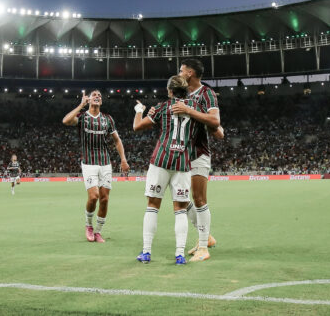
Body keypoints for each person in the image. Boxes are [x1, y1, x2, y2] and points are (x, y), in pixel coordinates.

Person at [133, 75, 223, 265]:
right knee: (180, 209)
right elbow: (218, 131)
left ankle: (147, 252)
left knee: (152, 206)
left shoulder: (162, 107)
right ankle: (180, 255)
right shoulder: (197, 109)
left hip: (160, 160)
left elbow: (137, 126)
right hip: (183, 163)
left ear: (170, 91)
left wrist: (139, 110)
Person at [62, 89, 129, 243]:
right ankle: (88, 225)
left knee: (104, 199)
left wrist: (123, 159)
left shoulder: (108, 119)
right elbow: (66, 121)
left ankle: (98, 231)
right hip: (88, 162)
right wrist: (81, 105)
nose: (97, 96)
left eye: (99, 95)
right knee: (94, 197)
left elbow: (117, 140)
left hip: (105, 163)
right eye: (94, 95)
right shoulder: (82, 117)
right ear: (89, 100)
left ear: (101, 101)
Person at [175, 59, 224, 262]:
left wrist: (189, 111)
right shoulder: (181, 94)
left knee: (199, 199)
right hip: (179, 154)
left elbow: (215, 121)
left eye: (181, 70)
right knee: (181, 199)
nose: (178, 73)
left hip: (198, 153)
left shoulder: (207, 93)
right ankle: (207, 237)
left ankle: (203, 247)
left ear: (190, 73)